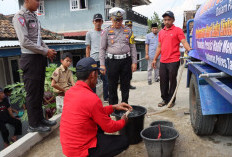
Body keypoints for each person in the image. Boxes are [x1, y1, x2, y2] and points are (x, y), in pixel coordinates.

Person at [60, 57, 131, 157]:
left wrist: (114, 107)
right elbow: (110, 127)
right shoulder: (92, 98)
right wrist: (123, 121)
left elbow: (95, 112)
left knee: (99, 125)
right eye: (97, 73)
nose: (97, 76)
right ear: (93, 75)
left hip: (68, 148)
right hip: (81, 151)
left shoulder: (70, 92)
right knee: (124, 141)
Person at [13, 0, 57, 133]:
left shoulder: (33, 16)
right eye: (36, 0)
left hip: (38, 57)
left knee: (39, 91)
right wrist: (45, 51)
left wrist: (47, 50)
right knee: (32, 92)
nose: (39, 3)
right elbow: (25, 41)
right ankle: (33, 124)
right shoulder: (20, 17)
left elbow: (38, 38)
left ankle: (40, 119)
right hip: (30, 59)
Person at [152, 11, 191, 108]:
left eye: (169, 20)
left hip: (174, 60)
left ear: (173, 20)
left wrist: (189, 49)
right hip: (163, 61)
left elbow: (184, 41)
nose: (166, 22)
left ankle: (171, 100)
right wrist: (154, 59)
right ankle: (164, 99)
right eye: (165, 20)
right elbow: (159, 47)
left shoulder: (178, 30)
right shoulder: (161, 32)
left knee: (172, 80)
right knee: (163, 81)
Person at [99, 7, 137, 105]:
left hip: (126, 61)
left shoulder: (128, 30)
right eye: (116, 20)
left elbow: (132, 47)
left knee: (125, 84)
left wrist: (134, 62)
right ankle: (113, 107)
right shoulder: (106, 31)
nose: (118, 22)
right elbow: (102, 49)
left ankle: (125, 104)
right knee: (112, 85)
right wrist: (102, 64)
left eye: (120, 20)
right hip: (112, 62)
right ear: (111, 19)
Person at [85, 13, 109, 103]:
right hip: (93, 59)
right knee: (92, 79)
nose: (98, 23)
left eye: (99, 21)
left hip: (104, 59)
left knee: (106, 79)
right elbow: (88, 48)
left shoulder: (105, 33)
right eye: (96, 21)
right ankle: (94, 98)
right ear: (93, 22)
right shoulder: (89, 33)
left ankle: (106, 97)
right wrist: (88, 61)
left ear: (102, 22)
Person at [125, 20, 136, 90]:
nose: (129, 27)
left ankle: (128, 84)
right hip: (124, 55)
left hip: (130, 54)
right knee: (124, 72)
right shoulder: (123, 32)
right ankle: (124, 86)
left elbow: (132, 45)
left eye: (130, 26)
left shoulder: (131, 33)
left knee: (129, 72)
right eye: (128, 25)